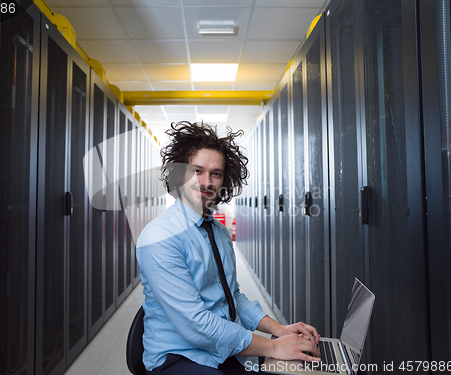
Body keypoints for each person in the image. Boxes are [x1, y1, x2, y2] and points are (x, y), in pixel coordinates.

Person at [136, 121, 320, 374]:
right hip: (177, 357)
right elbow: (196, 325)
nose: (206, 181)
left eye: (216, 173)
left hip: (219, 348)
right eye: (197, 171)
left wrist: (279, 330)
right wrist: (274, 348)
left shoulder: (219, 232)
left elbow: (232, 298)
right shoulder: (160, 237)